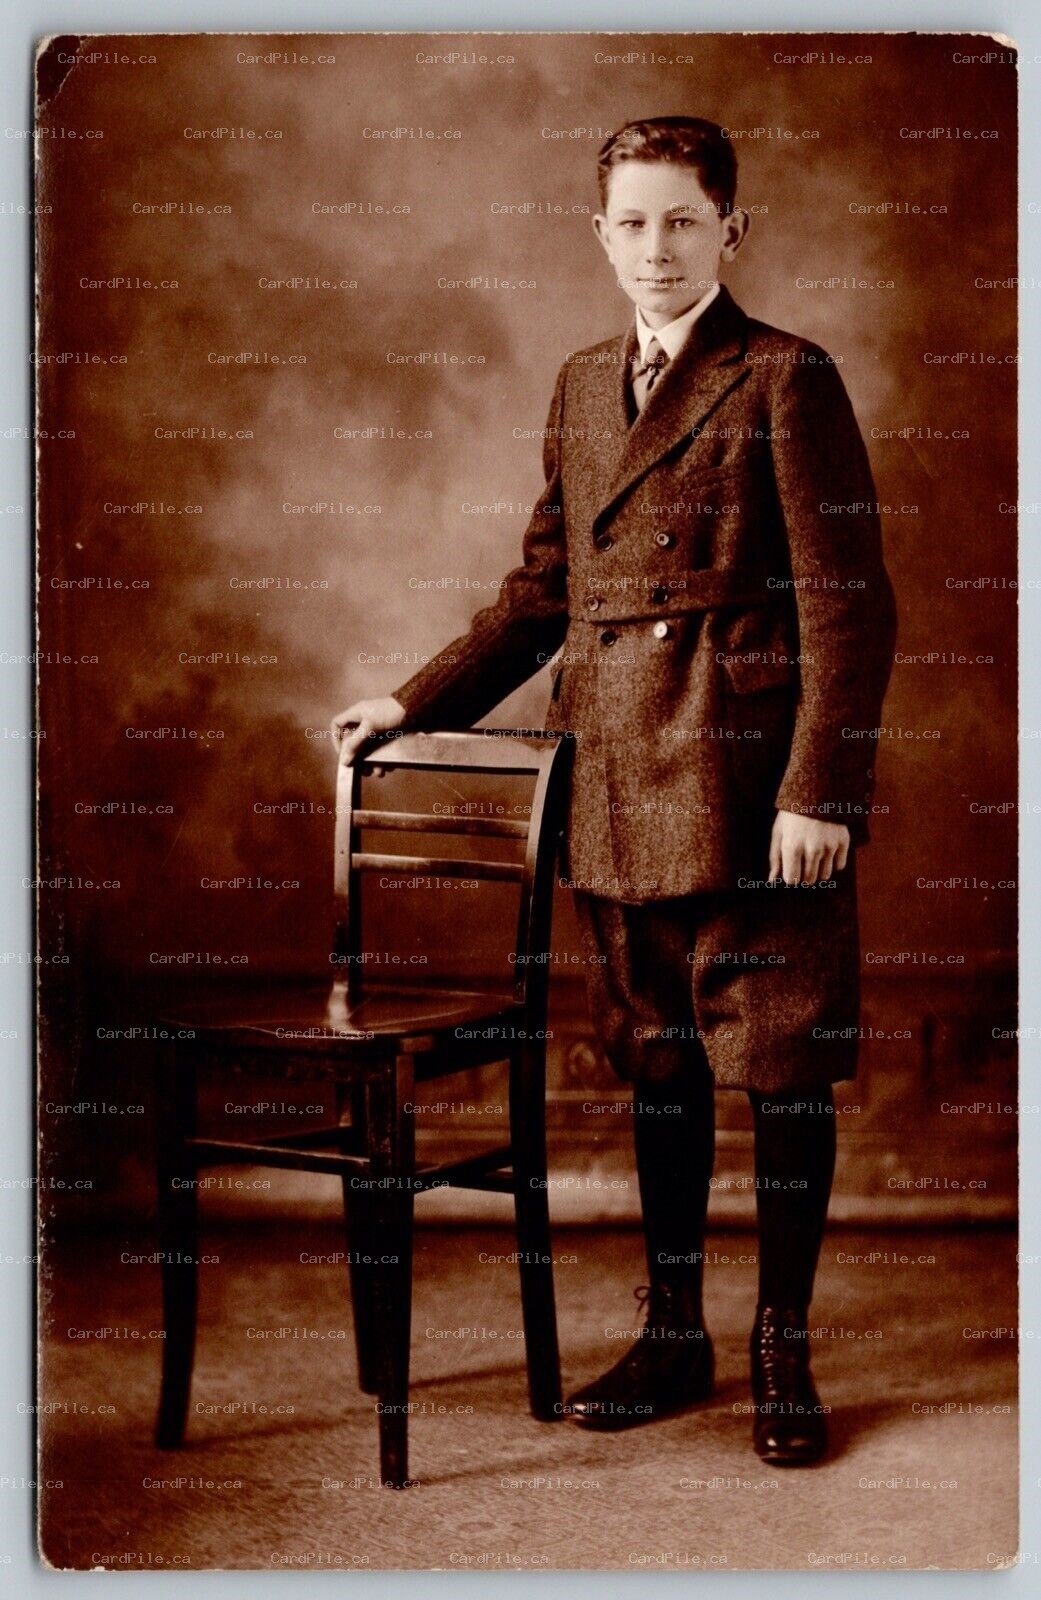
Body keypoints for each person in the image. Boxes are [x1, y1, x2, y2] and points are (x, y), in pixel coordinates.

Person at [332, 116, 896, 1465]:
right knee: (655, 1068)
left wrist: (820, 792)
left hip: (750, 788)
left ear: (731, 233)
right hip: (615, 782)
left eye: (683, 222)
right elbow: (542, 594)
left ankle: (781, 1346)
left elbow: (849, 606)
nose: (656, 250)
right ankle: (673, 1331)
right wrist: (413, 701)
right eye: (632, 224)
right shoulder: (585, 383)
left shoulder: (782, 379)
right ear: (599, 237)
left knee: (777, 1073)